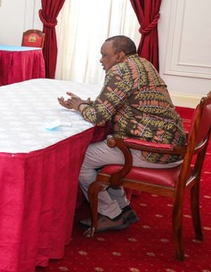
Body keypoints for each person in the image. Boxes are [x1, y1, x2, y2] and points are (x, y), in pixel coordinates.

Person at [59, 35, 186, 232]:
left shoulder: (120, 70)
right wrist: (84, 104)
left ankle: (112, 213)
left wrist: (81, 106)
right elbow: (120, 102)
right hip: (172, 143)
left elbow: (98, 117)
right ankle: (123, 207)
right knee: (102, 149)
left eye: (104, 55)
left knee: (81, 159)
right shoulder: (143, 64)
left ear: (119, 55)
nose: (101, 60)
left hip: (156, 150)